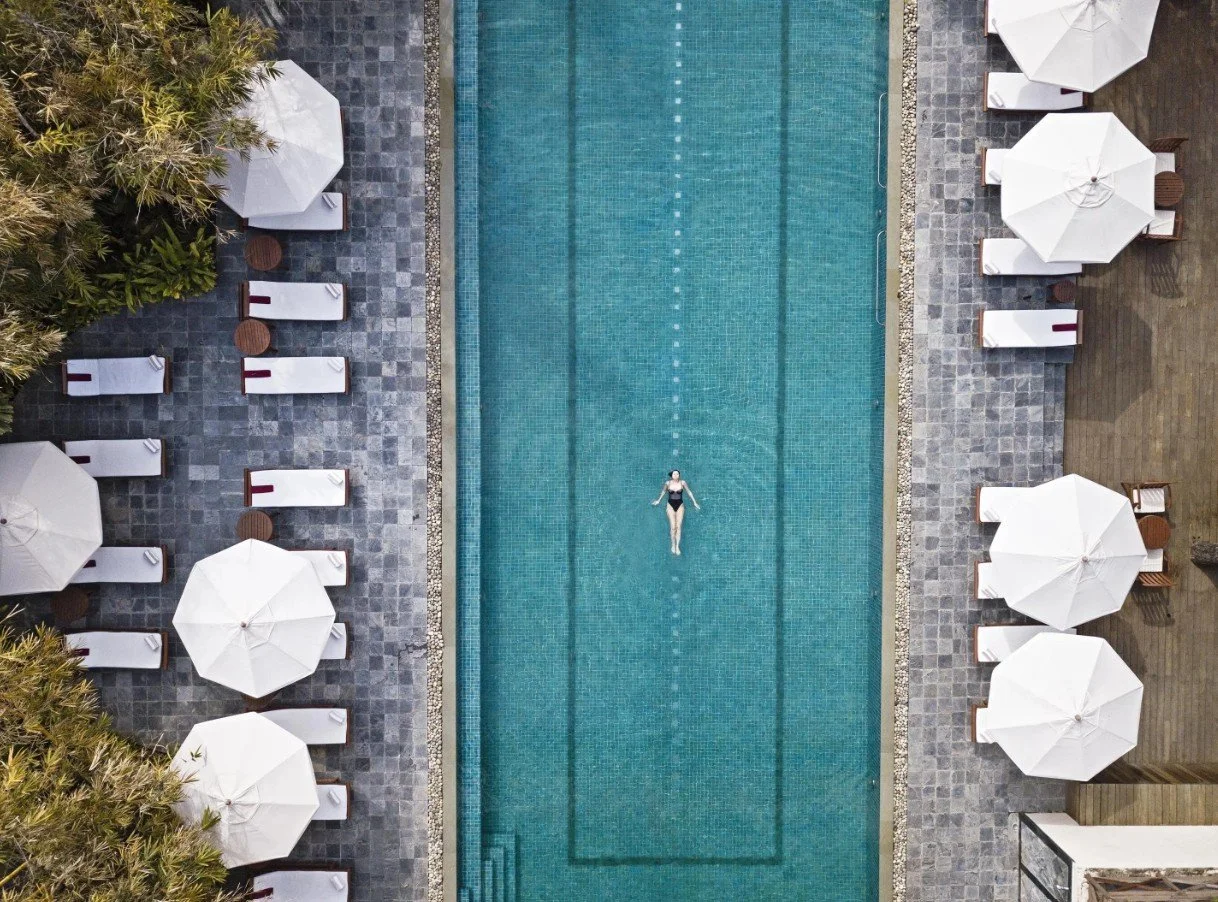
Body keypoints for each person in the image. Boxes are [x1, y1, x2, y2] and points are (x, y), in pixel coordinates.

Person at [651, 470, 700, 555]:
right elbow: (663, 492)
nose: (676, 475)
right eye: (674, 474)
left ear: (679, 475)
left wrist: (694, 502)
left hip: (680, 505)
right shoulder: (668, 483)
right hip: (670, 505)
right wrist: (658, 500)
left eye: (677, 474)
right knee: (673, 527)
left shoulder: (682, 482)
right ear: (672, 475)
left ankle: (677, 546)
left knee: (678, 527)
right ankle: (673, 545)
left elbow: (689, 492)